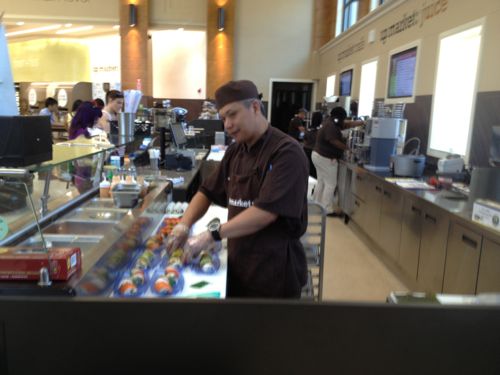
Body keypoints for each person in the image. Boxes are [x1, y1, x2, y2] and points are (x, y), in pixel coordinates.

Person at [167, 80, 309, 298]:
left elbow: (265, 212)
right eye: (223, 118)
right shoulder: (236, 151)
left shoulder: (286, 152)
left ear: (254, 107)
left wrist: (211, 235)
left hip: (274, 271)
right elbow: (206, 191)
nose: (227, 125)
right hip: (240, 262)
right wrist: (184, 225)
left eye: (232, 115)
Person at [311, 107, 348, 217]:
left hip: (318, 155)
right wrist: (347, 148)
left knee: (321, 181)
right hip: (326, 157)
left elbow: (346, 125)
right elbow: (333, 141)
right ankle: (327, 209)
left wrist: (361, 122)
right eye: (343, 119)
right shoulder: (331, 126)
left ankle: (317, 203)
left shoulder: (328, 122)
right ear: (338, 118)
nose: (343, 121)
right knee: (331, 184)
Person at [303, 111, 323, 179]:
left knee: (308, 171)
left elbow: (305, 140)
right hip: (315, 152)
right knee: (315, 173)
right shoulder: (320, 131)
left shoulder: (308, 129)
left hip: (306, 150)